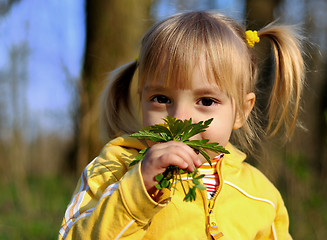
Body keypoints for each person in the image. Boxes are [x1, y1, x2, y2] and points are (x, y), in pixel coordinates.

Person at [59, 11, 304, 240]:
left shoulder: (261, 195)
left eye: (206, 101)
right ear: (141, 99)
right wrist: (137, 191)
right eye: (162, 99)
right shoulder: (115, 168)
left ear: (241, 111)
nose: (181, 117)